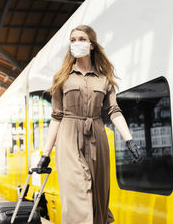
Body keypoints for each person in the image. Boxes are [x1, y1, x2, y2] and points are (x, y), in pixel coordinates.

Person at [34, 25, 141, 224]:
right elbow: (56, 116)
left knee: (98, 197)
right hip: (68, 137)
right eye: (73, 40)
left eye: (81, 39)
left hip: (97, 137)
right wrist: (45, 155)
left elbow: (114, 111)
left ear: (91, 45)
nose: (76, 43)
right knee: (78, 193)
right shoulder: (61, 78)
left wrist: (129, 140)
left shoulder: (104, 79)